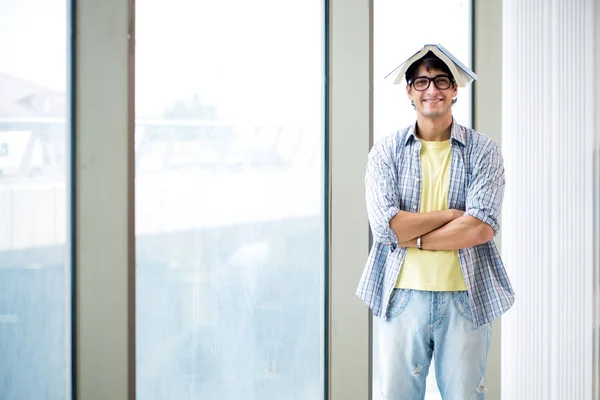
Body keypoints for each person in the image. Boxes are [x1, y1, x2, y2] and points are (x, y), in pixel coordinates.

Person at [356, 44, 515, 399]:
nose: (433, 90)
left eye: (441, 80)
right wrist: (449, 214)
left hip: (465, 296)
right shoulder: (386, 151)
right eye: (422, 81)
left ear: (455, 89)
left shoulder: (483, 150)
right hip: (401, 297)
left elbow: (480, 227)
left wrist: (416, 236)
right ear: (409, 91)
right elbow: (386, 227)